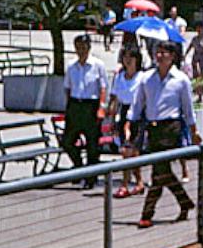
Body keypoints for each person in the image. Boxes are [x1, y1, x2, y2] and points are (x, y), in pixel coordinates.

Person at [129, 40, 199, 228]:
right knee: (162, 171)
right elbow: (138, 104)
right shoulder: (146, 77)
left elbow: (188, 108)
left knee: (158, 173)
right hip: (153, 128)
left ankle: (146, 214)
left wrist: (194, 131)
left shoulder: (181, 79)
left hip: (171, 128)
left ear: (172, 56)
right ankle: (184, 202)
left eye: (163, 53)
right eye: (157, 52)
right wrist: (131, 124)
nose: (159, 56)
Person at [62, 34, 109, 188]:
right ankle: (79, 166)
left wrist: (102, 107)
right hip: (76, 105)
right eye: (78, 47)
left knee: (92, 145)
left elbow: (103, 87)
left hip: (91, 105)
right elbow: (67, 88)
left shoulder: (97, 65)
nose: (80, 50)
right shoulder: (71, 66)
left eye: (83, 47)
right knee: (67, 142)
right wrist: (68, 108)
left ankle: (91, 177)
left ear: (89, 47)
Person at [110, 47, 145, 198]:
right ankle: (138, 182)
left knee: (131, 150)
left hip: (138, 113)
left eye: (131, 56)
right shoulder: (119, 77)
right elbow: (115, 99)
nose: (128, 60)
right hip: (123, 113)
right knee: (126, 151)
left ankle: (126, 183)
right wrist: (112, 119)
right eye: (125, 56)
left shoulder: (143, 77)